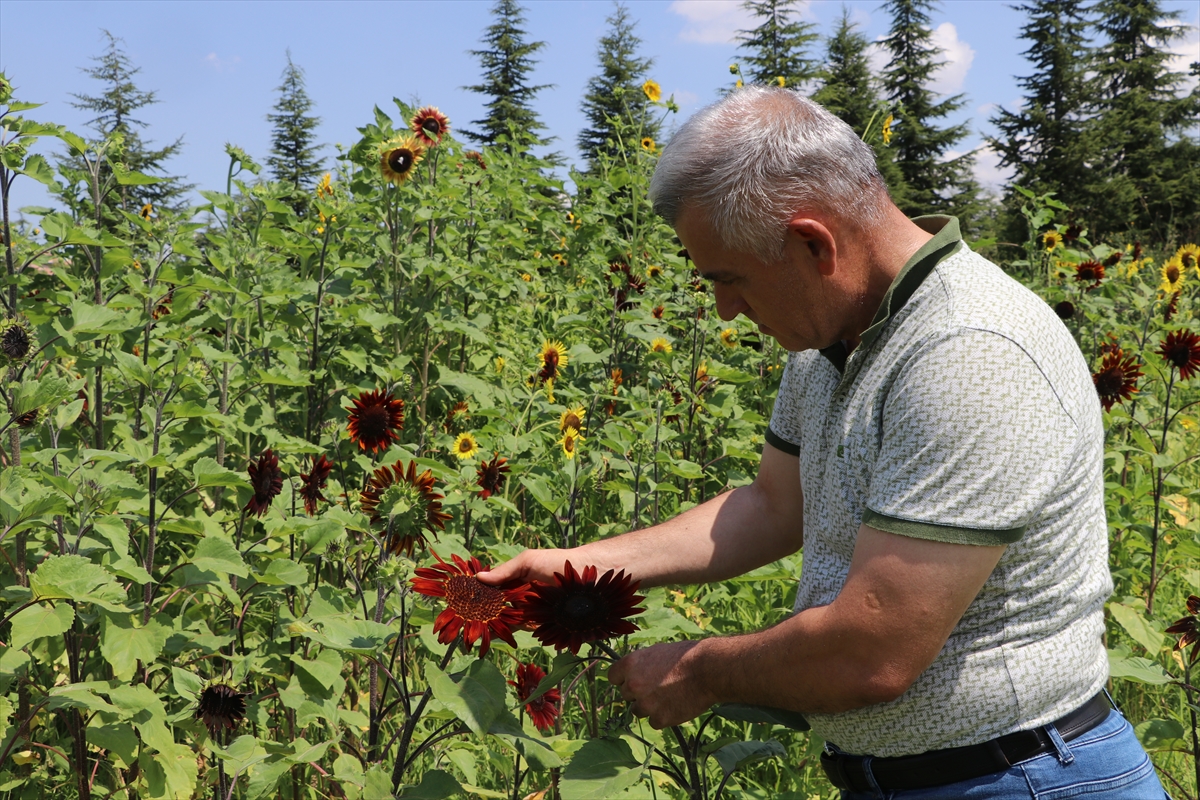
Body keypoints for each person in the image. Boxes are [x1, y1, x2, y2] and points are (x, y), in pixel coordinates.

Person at [480, 87, 1167, 799]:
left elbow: (873, 652)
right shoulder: (832, 337)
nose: (724, 310)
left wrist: (699, 670)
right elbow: (773, 505)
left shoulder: (968, 351)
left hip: (1019, 778)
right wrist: (578, 568)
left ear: (813, 244)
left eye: (730, 280)